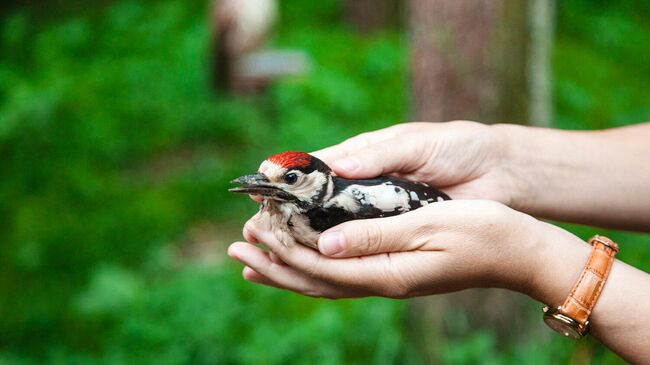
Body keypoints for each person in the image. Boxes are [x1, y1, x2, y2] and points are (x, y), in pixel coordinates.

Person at [228, 121, 650, 363]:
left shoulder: (341, 207)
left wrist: (536, 259)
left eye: (290, 181)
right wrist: (503, 160)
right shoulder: (296, 211)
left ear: (318, 183)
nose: (273, 189)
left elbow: (428, 207)